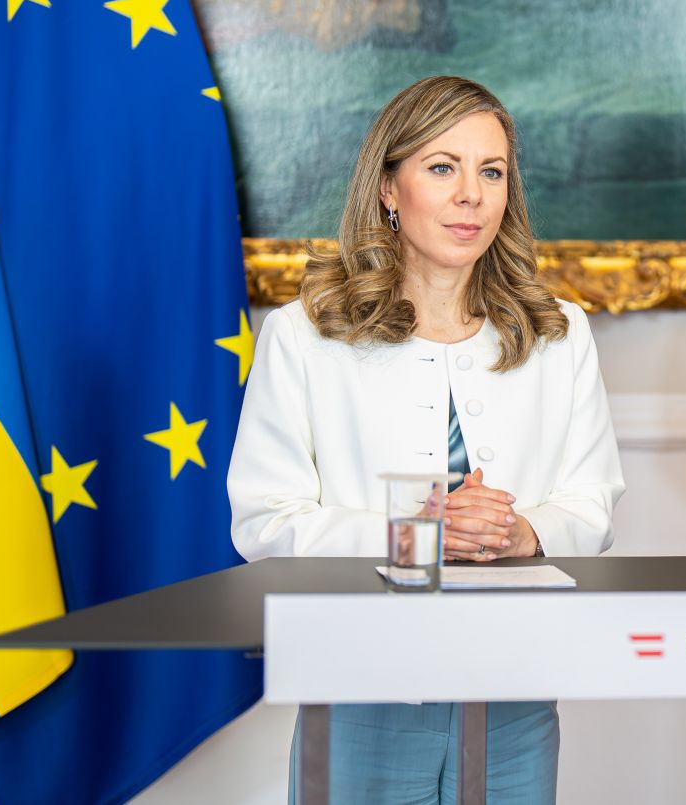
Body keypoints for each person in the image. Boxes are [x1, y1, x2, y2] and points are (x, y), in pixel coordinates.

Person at [229, 75, 625, 804]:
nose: (471, 193)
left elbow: (593, 497)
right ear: (388, 186)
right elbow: (265, 520)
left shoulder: (558, 332)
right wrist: (419, 531)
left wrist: (524, 531)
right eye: (443, 167)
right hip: (359, 690)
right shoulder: (303, 336)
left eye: (492, 170)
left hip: (514, 691)